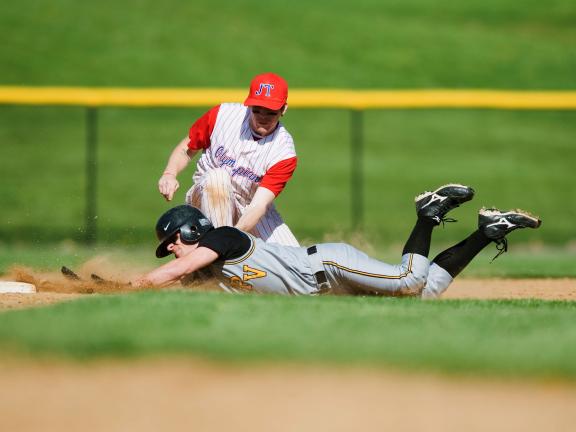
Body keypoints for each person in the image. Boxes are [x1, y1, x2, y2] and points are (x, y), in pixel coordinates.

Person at [133, 184, 542, 297]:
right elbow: (178, 283)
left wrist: (129, 284)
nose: (170, 248)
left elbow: (178, 267)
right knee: (426, 291)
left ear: (191, 230)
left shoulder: (222, 237)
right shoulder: (203, 274)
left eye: (171, 240)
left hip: (326, 266)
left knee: (408, 280)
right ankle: (489, 230)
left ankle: (427, 214)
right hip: (329, 287)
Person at [157, 72, 299, 247]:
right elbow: (187, 149)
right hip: (205, 194)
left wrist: (231, 238)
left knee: (293, 260)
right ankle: (212, 263)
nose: (262, 116)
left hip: (250, 205)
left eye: (270, 112)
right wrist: (170, 174)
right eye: (257, 109)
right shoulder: (222, 115)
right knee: (217, 178)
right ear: (249, 104)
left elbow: (258, 206)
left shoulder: (283, 152)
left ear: (283, 109)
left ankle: (216, 255)